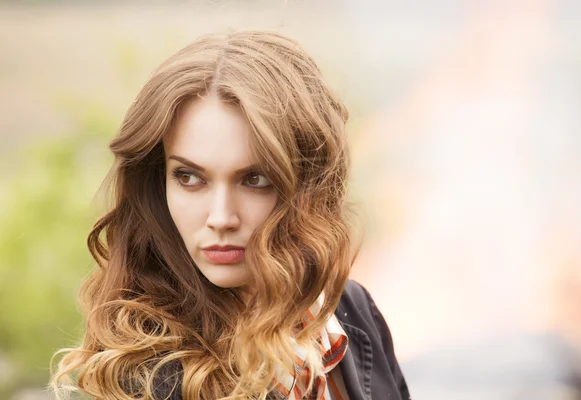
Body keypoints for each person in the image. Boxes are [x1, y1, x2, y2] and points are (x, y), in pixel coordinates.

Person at [49, 30, 410, 400]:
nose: (221, 218)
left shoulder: (351, 310)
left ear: (308, 185)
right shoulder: (153, 374)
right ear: (158, 183)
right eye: (189, 177)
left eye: (255, 179)